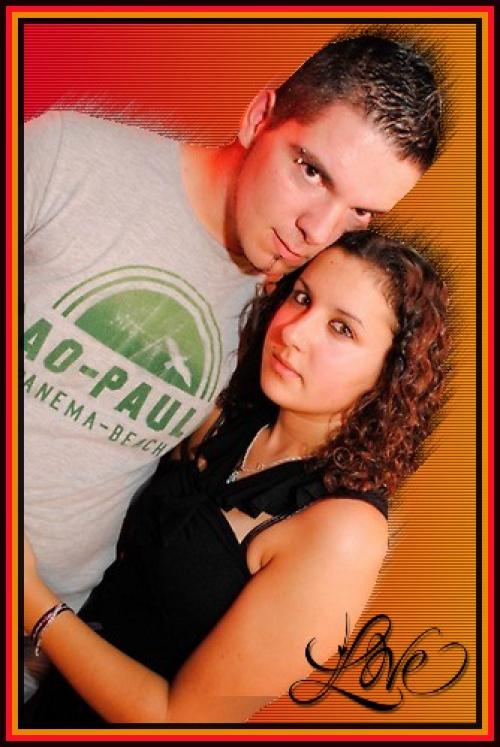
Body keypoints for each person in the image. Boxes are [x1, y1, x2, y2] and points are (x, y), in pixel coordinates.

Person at [23, 32, 443, 698]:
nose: (318, 230)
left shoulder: (278, 312)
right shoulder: (67, 158)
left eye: (360, 211)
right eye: (312, 171)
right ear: (258, 117)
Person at [23, 230, 451, 725]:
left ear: (391, 372)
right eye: (302, 298)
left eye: (342, 329)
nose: (294, 332)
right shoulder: (232, 421)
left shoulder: (343, 531)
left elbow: (179, 721)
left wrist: (32, 601)